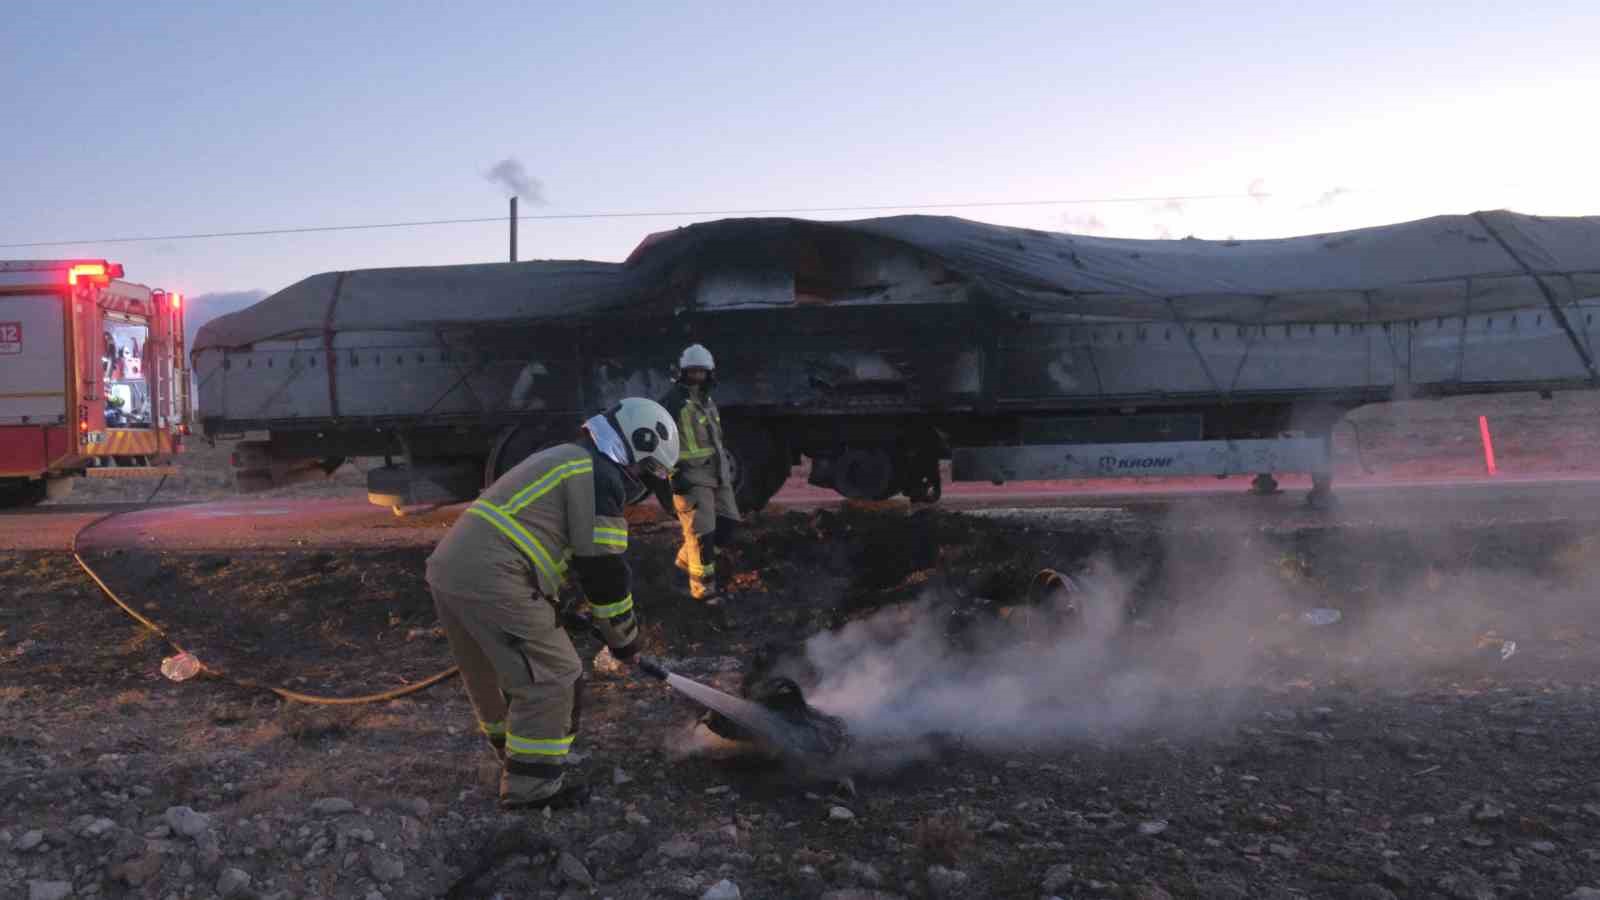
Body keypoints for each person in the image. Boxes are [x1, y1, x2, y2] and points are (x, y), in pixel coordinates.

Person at [426, 398, 679, 810]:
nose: (641, 482)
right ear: (636, 446)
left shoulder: (568, 458)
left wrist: (556, 607)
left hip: (452, 569)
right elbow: (604, 570)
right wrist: (624, 641)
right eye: (645, 470)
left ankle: (514, 760)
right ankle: (531, 790)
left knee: (491, 674)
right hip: (495, 576)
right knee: (555, 676)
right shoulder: (600, 475)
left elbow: (539, 539)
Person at [659, 344, 741, 605]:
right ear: (682, 372)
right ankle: (704, 591)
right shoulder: (672, 403)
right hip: (690, 476)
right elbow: (659, 444)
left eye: (701, 372)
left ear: (709, 373)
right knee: (702, 535)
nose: (697, 376)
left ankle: (683, 565)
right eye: (692, 371)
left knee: (728, 523)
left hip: (717, 474)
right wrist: (673, 474)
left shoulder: (707, 400)